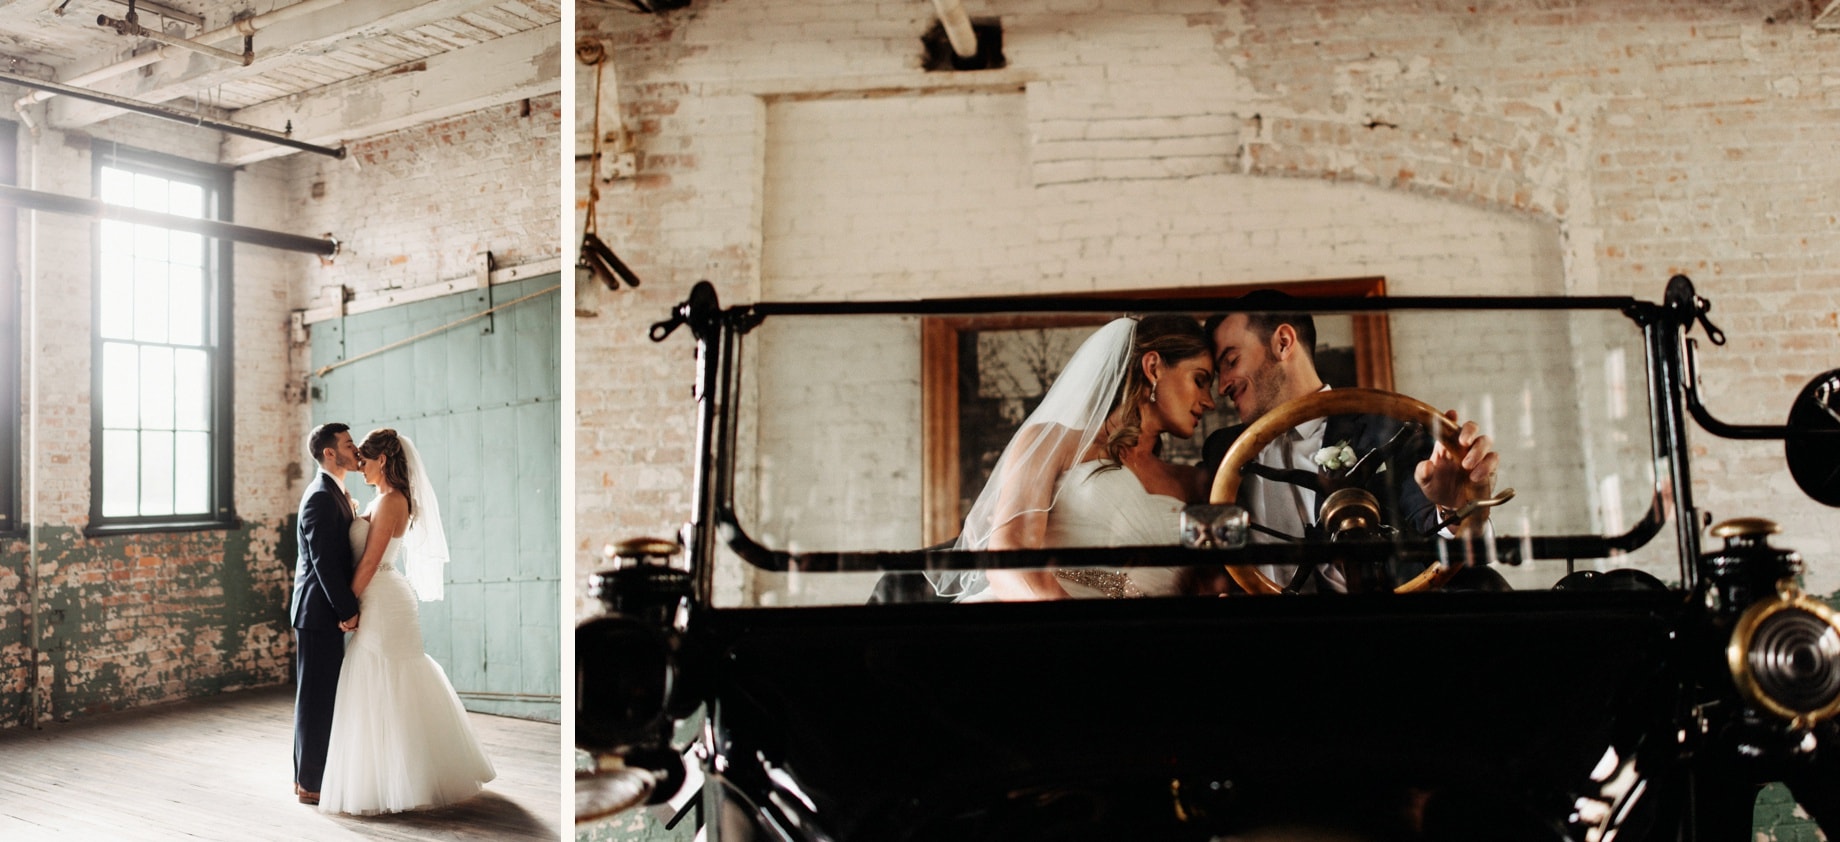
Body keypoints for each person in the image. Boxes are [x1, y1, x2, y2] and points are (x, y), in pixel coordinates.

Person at [1201, 291, 1499, 591]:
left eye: (1231, 361)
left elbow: (1447, 541)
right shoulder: (1221, 451)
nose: (1223, 386)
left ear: (1283, 342)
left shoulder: (1390, 428)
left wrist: (1454, 509)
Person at [938, 314, 1217, 601]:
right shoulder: (1051, 443)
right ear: (1153, 367)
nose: (1210, 401)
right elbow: (1008, 564)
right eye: (1200, 380)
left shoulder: (1196, 484)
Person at [317, 428, 495, 814]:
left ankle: (406, 779)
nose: (359, 465)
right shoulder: (381, 499)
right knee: (377, 679)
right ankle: (384, 775)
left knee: (388, 677)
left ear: (383, 461)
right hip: (377, 593)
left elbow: (369, 560)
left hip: (382, 596)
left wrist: (345, 607)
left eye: (365, 459)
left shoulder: (393, 501)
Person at [290, 422, 363, 806]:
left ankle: (309, 776)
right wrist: (347, 610)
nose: (356, 448)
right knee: (315, 700)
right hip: (318, 612)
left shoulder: (337, 491)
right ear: (330, 453)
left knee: (321, 697)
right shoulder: (320, 495)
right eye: (349, 443)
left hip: (322, 611)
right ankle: (309, 783)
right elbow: (323, 563)